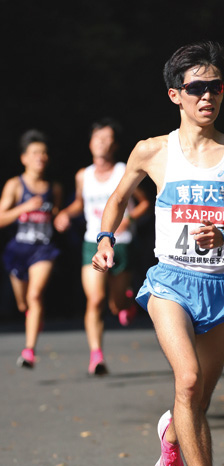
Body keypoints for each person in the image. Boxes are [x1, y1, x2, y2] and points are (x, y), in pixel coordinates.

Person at [92, 41, 224, 466]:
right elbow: (115, 200)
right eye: (196, 88)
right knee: (189, 380)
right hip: (171, 280)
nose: (207, 96)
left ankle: (172, 434)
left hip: (223, 286)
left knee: (196, 403)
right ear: (175, 94)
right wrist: (106, 240)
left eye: (215, 87)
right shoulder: (153, 151)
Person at [54, 118, 150, 375]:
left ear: (115, 145)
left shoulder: (123, 171)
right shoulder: (82, 175)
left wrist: (128, 221)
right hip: (92, 243)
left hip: (122, 244)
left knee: (115, 305)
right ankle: (96, 355)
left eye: (107, 139)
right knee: (95, 299)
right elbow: (79, 204)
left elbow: (143, 203)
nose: (101, 143)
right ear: (90, 143)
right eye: (97, 138)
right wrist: (65, 213)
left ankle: (125, 303)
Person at [0, 130, 63, 368]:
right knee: (23, 303)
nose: (41, 157)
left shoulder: (52, 187)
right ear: (24, 158)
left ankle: (29, 351)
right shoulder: (15, 185)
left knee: (35, 295)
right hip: (18, 250)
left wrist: (61, 218)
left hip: (43, 250)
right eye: (35, 153)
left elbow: (56, 216)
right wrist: (24, 207)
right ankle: (32, 317)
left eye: (44, 153)